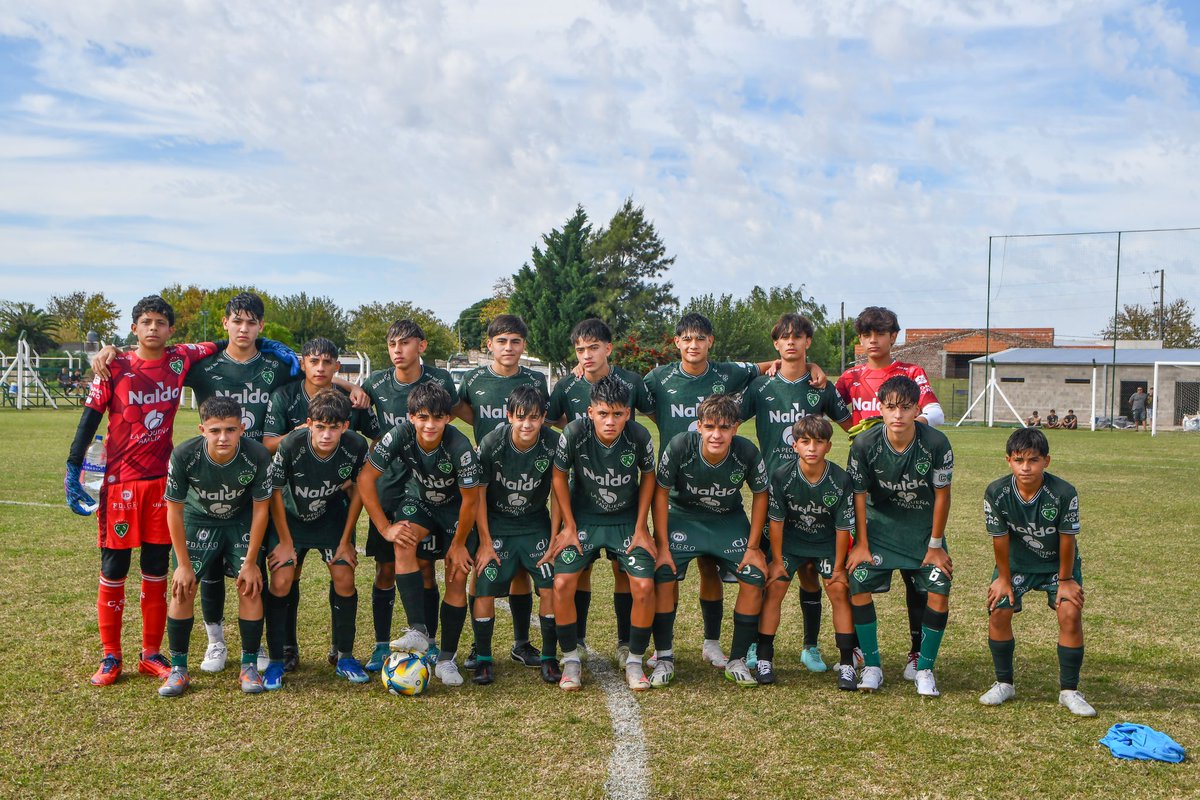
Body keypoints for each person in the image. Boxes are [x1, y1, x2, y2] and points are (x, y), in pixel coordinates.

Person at [90, 292, 306, 676]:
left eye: (251, 322)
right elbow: (152, 355)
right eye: (236, 321)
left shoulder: (275, 362)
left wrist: (348, 384)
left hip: (256, 477)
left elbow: (315, 372)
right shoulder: (203, 364)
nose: (243, 328)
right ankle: (215, 640)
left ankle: (268, 649)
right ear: (225, 324)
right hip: (208, 479)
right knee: (205, 569)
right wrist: (112, 351)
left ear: (260, 326)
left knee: (255, 567)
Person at [64, 295, 217, 687]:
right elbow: (89, 418)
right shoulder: (114, 365)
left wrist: (275, 348)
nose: (153, 328)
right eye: (146, 321)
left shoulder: (180, 359)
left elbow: (223, 344)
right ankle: (110, 656)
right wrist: (73, 465)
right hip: (119, 484)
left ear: (170, 330)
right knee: (114, 568)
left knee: (155, 567)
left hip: (160, 484)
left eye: (160, 322)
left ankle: (151, 653)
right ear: (134, 328)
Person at [642, 312, 803, 669]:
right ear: (676, 343)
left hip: (724, 513)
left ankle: (719, 647)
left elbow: (771, 364)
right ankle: (663, 651)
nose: (693, 345)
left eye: (700, 338)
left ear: (710, 341)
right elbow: (630, 396)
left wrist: (808, 367)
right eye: (686, 339)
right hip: (683, 498)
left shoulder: (728, 375)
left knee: (717, 571)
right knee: (665, 571)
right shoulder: (659, 378)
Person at [835, 306, 944, 683]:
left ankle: (917, 652)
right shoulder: (850, 377)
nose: (874, 340)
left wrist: (902, 424)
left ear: (893, 336)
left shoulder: (910, 373)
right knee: (855, 574)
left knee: (919, 581)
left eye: (881, 333)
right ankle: (861, 649)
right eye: (867, 334)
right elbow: (826, 408)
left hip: (911, 486)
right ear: (860, 339)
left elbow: (937, 413)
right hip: (870, 483)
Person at [741, 312, 851, 673]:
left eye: (798, 337)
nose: (791, 342)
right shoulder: (760, 387)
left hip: (817, 494)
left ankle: (811, 646)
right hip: (774, 493)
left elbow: (851, 426)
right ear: (776, 345)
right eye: (784, 337)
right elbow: (726, 419)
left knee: (810, 573)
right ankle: (759, 648)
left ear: (807, 343)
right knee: (772, 574)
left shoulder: (820, 386)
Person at [357, 382, 482, 687]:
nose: (430, 424)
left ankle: (447, 659)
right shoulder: (398, 434)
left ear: (448, 419)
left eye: (437, 418)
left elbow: (471, 500)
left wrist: (458, 544)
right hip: (421, 500)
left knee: (456, 573)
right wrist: (385, 528)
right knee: (403, 541)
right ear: (410, 417)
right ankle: (419, 631)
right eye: (423, 417)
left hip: (456, 509)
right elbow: (365, 479)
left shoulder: (459, 448)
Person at [548, 318, 655, 663]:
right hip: (583, 494)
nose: (587, 355)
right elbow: (551, 422)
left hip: (622, 488)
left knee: (625, 571)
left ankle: (627, 643)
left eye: (593, 347)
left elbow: (659, 411)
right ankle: (575, 640)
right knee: (582, 568)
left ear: (609, 348)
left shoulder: (631, 383)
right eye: (580, 349)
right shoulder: (567, 386)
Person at [358, 319, 461, 672]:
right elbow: (356, 415)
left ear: (422, 345)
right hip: (390, 481)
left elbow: (460, 413)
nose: (398, 350)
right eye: (392, 344)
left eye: (405, 342)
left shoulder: (441, 381)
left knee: (427, 566)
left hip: (429, 479)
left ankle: (428, 639)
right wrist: (350, 387)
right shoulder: (374, 382)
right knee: (386, 565)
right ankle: (379, 644)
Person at [158, 396, 274, 696]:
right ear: (202, 430)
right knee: (183, 588)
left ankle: (248, 666)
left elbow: (262, 508)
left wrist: (250, 563)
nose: (223, 437)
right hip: (199, 520)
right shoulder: (184, 455)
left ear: (242, 428)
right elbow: (174, 509)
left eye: (231, 430)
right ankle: (179, 670)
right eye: (215, 430)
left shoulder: (257, 455)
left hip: (240, 520)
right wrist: (183, 565)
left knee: (250, 584)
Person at [846, 375, 954, 697]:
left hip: (922, 534)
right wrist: (861, 543)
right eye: (891, 407)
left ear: (916, 409)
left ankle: (924, 667)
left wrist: (935, 545)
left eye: (905, 408)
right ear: (880, 408)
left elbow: (943, 495)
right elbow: (859, 497)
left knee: (940, 585)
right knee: (858, 579)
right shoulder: (865, 445)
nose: (898, 415)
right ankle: (873, 666)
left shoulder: (936, 443)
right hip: (879, 532)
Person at [651, 394, 769, 687]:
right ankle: (664, 656)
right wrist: (662, 545)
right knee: (663, 573)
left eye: (725, 427)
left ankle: (737, 658)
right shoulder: (681, 445)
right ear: (699, 427)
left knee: (754, 577)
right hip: (683, 516)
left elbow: (761, 494)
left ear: (736, 428)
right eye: (710, 427)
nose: (717, 434)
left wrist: (753, 548)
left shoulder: (746, 452)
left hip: (726, 519)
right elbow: (661, 492)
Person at [456, 315, 550, 670]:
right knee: (485, 568)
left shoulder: (535, 379)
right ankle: (478, 648)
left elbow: (547, 416)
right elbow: (458, 408)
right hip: (490, 471)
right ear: (490, 344)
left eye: (515, 341)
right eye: (501, 342)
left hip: (527, 473)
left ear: (523, 345)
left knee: (523, 571)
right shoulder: (474, 378)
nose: (508, 348)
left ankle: (522, 642)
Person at [980, 427, 1094, 716]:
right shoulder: (997, 492)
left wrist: (1066, 580)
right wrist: (1003, 579)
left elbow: (1068, 538)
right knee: (999, 610)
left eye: (1033, 460)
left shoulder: (1063, 493)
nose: (1026, 467)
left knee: (1070, 613)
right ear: (1008, 461)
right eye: (1019, 460)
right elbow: (1000, 538)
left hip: (1057, 566)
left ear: (1047, 461)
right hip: (1017, 564)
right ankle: (1004, 683)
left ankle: (1069, 690)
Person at [262, 388, 371, 689]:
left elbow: (360, 490)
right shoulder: (292, 444)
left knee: (344, 576)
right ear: (309, 423)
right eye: (320, 427)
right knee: (282, 579)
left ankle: (345, 655)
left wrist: (347, 540)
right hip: (289, 518)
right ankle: (276, 659)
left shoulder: (355, 445)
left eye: (334, 427)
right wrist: (284, 542)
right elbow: (273, 492)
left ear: (345, 426)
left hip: (330, 517)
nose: (326, 434)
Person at [760, 415, 858, 689]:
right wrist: (777, 561)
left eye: (819, 442)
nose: (812, 448)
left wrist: (838, 568)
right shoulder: (781, 475)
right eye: (805, 442)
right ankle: (765, 657)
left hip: (826, 542)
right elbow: (776, 522)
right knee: (776, 585)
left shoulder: (840, 479)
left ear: (828, 446)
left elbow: (842, 529)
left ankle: (847, 663)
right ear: (795, 445)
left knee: (838, 590)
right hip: (791, 542)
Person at [472, 385, 561, 685]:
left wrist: (555, 536)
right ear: (509, 416)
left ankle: (549, 657)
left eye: (534, 418)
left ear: (544, 418)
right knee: (484, 585)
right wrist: (484, 541)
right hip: (498, 524)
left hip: (535, 523)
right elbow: (479, 494)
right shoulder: (492, 443)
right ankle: (483, 658)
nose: (527, 424)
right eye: (521, 417)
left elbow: (559, 493)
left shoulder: (553, 442)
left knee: (550, 585)